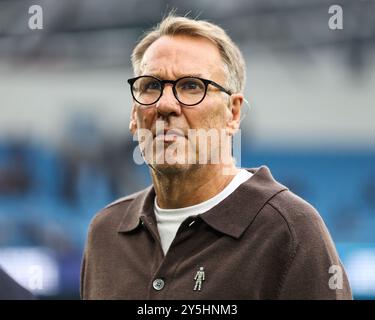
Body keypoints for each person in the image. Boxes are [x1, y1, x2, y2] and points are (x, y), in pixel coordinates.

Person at [80, 14, 352, 299]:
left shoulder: (289, 231)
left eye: (191, 86)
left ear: (233, 113)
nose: (165, 105)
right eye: (150, 86)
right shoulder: (106, 232)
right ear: (134, 115)